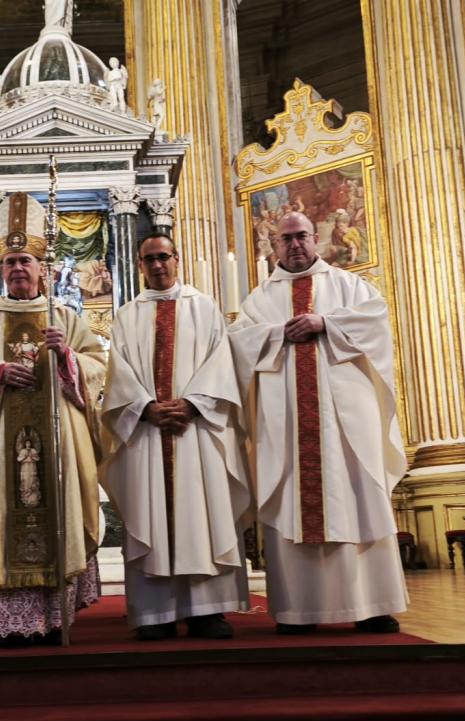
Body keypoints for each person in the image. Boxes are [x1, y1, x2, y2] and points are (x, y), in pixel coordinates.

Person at [229, 211, 408, 635]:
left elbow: (375, 323)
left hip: (347, 426)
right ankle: (299, 610)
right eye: (285, 238)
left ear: (316, 239)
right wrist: (279, 335)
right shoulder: (259, 300)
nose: (294, 245)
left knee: (360, 497)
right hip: (289, 425)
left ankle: (373, 605)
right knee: (291, 499)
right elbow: (238, 344)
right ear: (274, 246)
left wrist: (324, 323)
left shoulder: (349, 286)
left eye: (301, 236)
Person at [0, 192, 107, 647]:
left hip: (56, 447)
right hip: (2, 452)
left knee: (56, 514)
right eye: (10, 262)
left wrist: (68, 358)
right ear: (2, 269)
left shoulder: (67, 320)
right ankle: (10, 626)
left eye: (26, 261)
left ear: (43, 268)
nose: (18, 269)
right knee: (6, 522)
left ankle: (54, 619)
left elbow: (99, 372)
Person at [101, 233, 250, 640]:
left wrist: (194, 404)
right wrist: (146, 407)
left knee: (202, 512)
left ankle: (208, 611)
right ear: (140, 265)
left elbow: (222, 364)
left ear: (177, 259)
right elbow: (119, 374)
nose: (158, 266)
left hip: (197, 429)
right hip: (148, 432)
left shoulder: (204, 308)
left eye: (164, 257)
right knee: (152, 513)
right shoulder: (127, 316)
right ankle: (156, 613)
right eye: (149, 260)